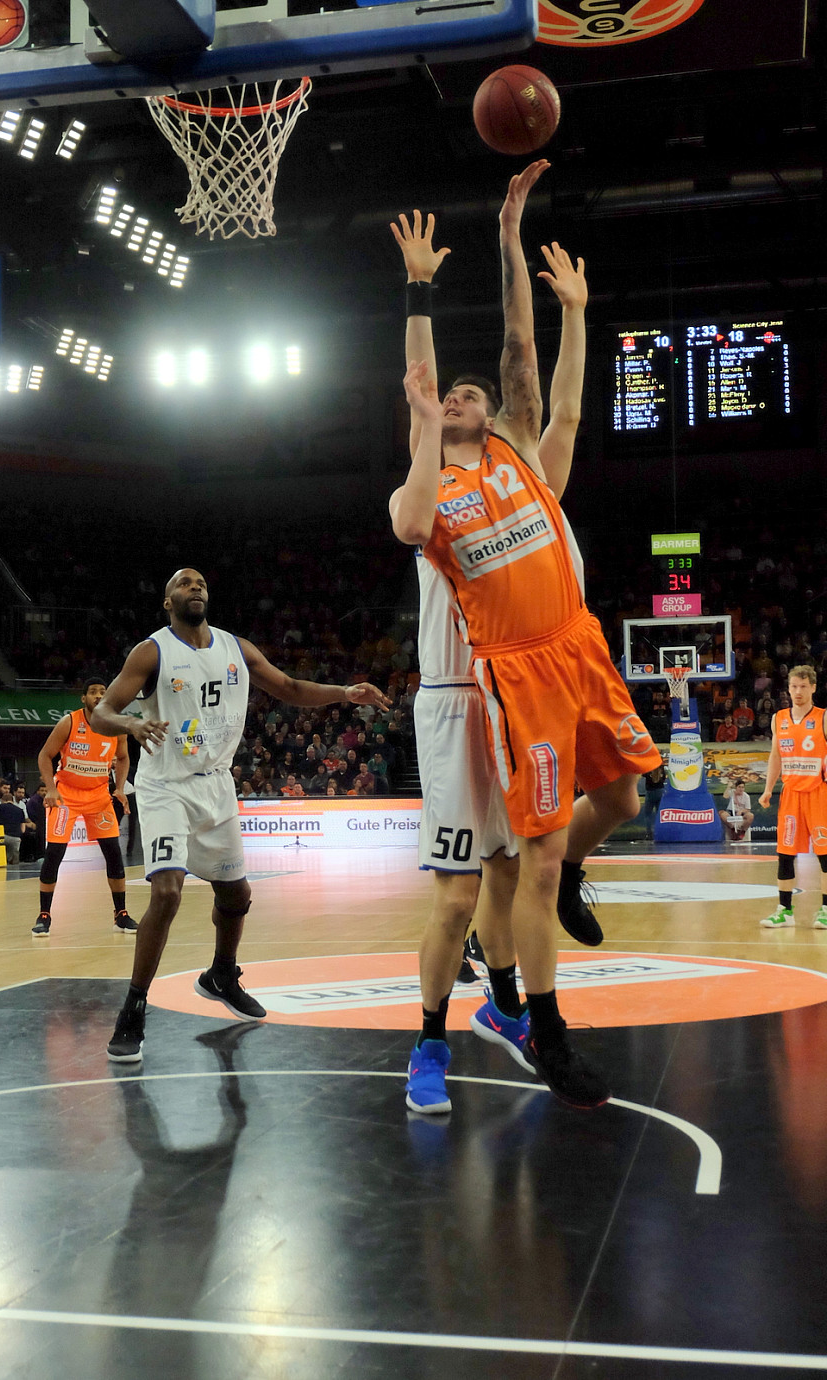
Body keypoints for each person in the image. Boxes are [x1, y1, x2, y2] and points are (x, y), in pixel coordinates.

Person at [391, 162, 662, 1112]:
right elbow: (423, 409)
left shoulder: (524, 454)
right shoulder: (430, 489)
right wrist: (419, 296)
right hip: (484, 687)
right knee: (475, 886)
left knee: (605, 809)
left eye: (474, 396)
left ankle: (510, 991)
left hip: (572, 649)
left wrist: (517, 243)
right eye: (450, 396)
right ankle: (471, 1032)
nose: (465, 395)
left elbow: (524, 357)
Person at [90, 567, 389, 1064]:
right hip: (166, 786)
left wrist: (344, 692)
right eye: (184, 583)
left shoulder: (237, 648)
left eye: (201, 583)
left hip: (217, 783)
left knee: (237, 894)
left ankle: (222, 975)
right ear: (167, 602)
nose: (196, 587)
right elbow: (101, 714)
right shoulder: (152, 652)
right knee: (167, 892)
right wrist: (130, 723)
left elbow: (289, 686)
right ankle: (133, 1009)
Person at [31, 675, 135, 937]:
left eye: (103, 691)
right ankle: (44, 915)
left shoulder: (116, 726)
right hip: (66, 795)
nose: (98, 695)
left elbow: (123, 758)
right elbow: (44, 755)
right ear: (84, 698)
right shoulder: (69, 722)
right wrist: (51, 788)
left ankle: (121, 914)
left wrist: (119, 787)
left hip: (99, 796)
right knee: (54, 854)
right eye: (93, 692)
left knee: (114, 853)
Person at [759, 665, 827, 928]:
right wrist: (768, 789)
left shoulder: (823, 717)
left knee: (824, 855)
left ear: (813, 688)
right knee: (785, 854)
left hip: (819, 793)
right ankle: (784, 911)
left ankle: (825, 910)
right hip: (791, 794)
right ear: (788, 689)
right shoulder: (779, 718)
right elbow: (775, 756)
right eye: (794, 686)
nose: (798, 691)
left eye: (803, 686)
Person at [0, 782, 35, 865]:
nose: (21, 794)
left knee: (1, 861)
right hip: (16, 838)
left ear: (2, 800)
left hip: (2, 836)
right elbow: (23, 829)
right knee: (14, 863)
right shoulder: (20, 810)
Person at [643, 762, 666, 841]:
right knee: (659, 813)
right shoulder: (661, 766)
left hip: (650, 791)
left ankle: (649, 833)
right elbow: (664, 778)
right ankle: (660, 833)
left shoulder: (648, 766)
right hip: (660, 791)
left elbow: (643, 774)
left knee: (648, 814)